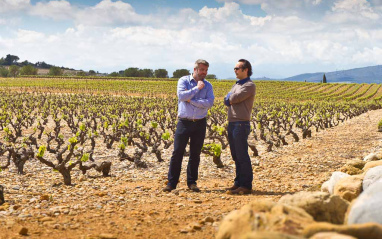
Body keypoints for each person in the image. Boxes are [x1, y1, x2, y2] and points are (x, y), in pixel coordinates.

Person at [163, 59, 214, 192]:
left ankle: (192, 183)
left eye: (206, 70)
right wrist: (197, 88)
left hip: (200, 122)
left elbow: (209, 103)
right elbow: (181, 96)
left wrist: (192, 100)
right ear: (195, 69)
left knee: (195, 154)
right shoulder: (184, 81)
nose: (204, 73)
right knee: (177, 152)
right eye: (202, 70)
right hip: (184, 122)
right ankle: (171, 183)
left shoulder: (208, 85)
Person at [224, 59, 256, 195]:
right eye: (235, 68)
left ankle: (246, 184)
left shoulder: (249, 85)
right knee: (235, 154)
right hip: (232, 123)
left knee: (242, 154)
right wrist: (230, 97)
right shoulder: (237, 84)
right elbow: (227, 100)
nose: (235, 71)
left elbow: (233, 99)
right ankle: (238, 182)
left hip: (241, 123)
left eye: (237, 68)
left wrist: (230, 97)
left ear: (245, 70)